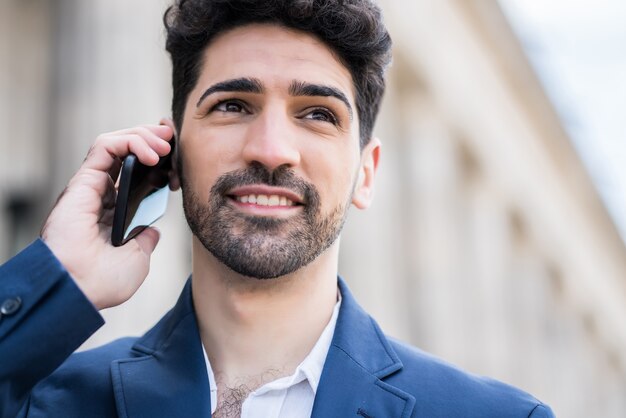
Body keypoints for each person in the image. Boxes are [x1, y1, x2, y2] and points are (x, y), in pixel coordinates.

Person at [0, 0, 555, 417]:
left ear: (366, 172)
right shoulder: (48, 402)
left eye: (317, 114)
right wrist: (61, 276)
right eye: (233, 105)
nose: (270, 149)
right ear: (169, 153)